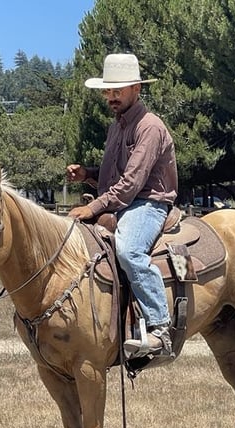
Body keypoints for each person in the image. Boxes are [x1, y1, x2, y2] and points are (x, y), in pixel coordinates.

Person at [67, 53, 178, 359]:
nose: (111, 97)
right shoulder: (116, 127)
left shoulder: (150, 127)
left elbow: (131, 185)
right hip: (121, 203)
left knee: (129, 252)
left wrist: (92, 209)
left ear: (136, 89)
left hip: (148, 203)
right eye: (107, 91)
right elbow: (114, 177)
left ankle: (159, 328)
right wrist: (88, 175)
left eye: (118, 90)